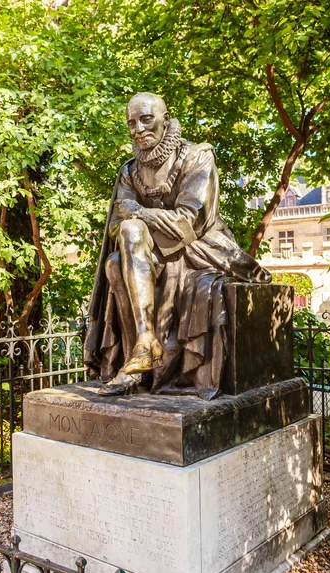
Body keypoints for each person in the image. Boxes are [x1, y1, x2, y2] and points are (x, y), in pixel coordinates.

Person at [84, 92, 271, 399]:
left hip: (199, 248)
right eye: (132, 122)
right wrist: (137, 223)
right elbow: (116, 226)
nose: (139, 128)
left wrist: (140, 213)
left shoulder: (197, 156)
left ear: (165, 120)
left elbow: (190, 222)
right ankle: (141, 350)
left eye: (147, 119)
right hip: (146, 255)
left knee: (131, 233)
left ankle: (145, 351)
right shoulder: (129, 171)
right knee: (114, 262)